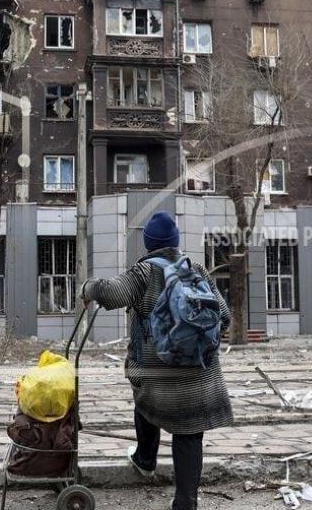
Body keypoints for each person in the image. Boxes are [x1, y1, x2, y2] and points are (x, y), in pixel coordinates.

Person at [82, 211, 233, 510]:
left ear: (148, 243)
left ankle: (145, 460)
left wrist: (87, 288)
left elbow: (110, 293)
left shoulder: (144, 272)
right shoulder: (196, 270)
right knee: (189, 433)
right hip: (200, 374)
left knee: (145, 404)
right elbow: (224, 317)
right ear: (175, 242)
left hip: (158, 375)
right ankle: (186, 502)